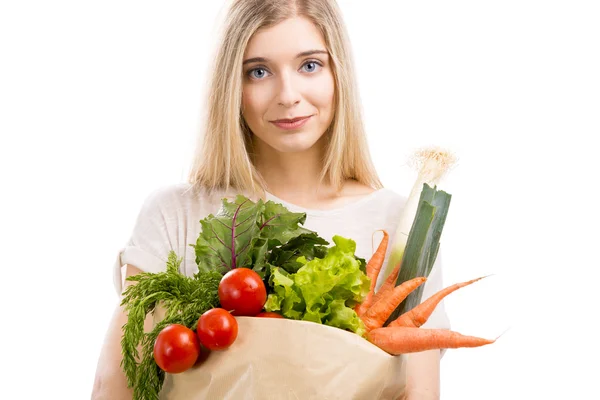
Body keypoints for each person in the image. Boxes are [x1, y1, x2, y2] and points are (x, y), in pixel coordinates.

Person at [92, 0, 450, 399]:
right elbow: (116, 388)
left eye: (309, 65)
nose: (288, 95)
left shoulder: (400, 222)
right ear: (231, 85)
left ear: (338, 74)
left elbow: (418, 393)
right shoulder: (175, 213)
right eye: (258, 72)